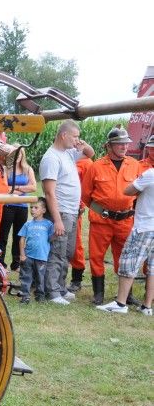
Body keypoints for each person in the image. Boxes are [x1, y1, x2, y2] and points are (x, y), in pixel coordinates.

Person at [81, 127, 142, 306]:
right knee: (96, 256)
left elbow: (140, 192)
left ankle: (126, 295)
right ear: (109, 146)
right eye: (120, 144)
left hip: (126, 221)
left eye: (126, 143)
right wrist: (101, 211)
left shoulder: (134, 165)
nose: (124, 147)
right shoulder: (96, 166)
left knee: (125, 258)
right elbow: (85, 195)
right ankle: (98, 294)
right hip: (102, 221)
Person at [37, 120, 94, 304]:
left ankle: (60, 287)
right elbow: (49, 192)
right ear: (64, 135)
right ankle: (52, 291)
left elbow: (90, 153)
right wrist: (57, 220)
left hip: (71, 211)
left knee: (67, 252)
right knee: (57, 252)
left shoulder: (68, 153)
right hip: (60, 211)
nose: (77, 140)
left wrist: (82, 143)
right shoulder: (52, 158)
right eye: (75, 136)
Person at [96, 165, 154, 315]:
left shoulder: (150, 173)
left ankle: (120, 303)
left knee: (128, 262)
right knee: (152, 268)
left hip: (145, 226)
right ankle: (147, 306)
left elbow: (127, 190)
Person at [0, 148, 38, 270]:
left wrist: (16, 188)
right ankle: (0, 262)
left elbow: (34, 187)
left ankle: (16, 263)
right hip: (8, 205)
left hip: (22, 206)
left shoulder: (28, 169)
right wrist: (23, 189)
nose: (17, 156)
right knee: (3, 235)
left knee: (19, 236)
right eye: (15, 154)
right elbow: (4, 188)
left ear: (22, 155)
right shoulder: (5, 169)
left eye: (20, 154)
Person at [17, 199, 54, 304]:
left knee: (40, 277)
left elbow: (51, 239)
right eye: (31, 207)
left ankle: (40, 296)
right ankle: (25, 296)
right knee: (26, 276)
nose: (32, 210)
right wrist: (22, 254)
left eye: (36, 207)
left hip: (41, 257)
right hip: (28, 256)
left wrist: (57, 233)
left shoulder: (49, 224)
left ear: (43, 210)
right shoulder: (28, 224)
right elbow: (22, 239)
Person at [68, 156, 94, 293]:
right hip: (58, 203)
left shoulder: (86, 162)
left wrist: (81, 205)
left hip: (74, 207)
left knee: (75, 243)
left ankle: (76, 278)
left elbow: (87, 187)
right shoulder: (62, 156)